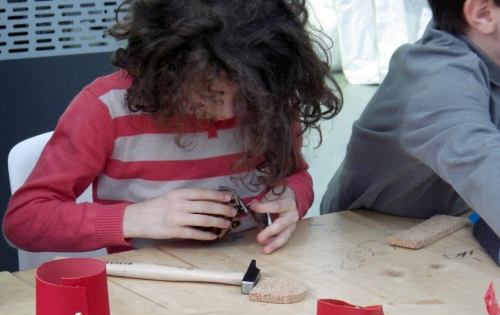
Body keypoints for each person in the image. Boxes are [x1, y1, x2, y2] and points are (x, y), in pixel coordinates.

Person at [3, 0, 342, 256]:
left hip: (252, 273)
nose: (227, 112)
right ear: (166, 68)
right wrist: (132, 219)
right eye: (209, 94)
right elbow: (24, 221)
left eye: (245, 96)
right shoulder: (105, 107)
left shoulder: (269, 94)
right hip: (148, 295)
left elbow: (296, 176)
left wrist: (292, 199)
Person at [320, 0, 500, 241]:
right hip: (368, 238)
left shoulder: (489, 54)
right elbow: (487, 169)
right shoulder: (441, 82)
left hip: (449, 218)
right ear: (483, 13)